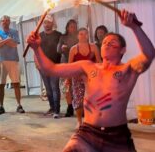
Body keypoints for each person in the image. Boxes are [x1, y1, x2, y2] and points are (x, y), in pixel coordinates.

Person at [27, 9, 155, 152]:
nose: (106, 44)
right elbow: (51, 69)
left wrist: (134, 27)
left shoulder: (127, 70)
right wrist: (36, 48)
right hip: (87, 133)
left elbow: (149, 54)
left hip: (117, 136)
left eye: (112, 42)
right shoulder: (87, 66)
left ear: (123, 50)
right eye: (105, 42)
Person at [0, 15, 25, 115]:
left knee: (16, 83)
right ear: (0, 22)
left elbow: (14, 45)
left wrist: (1, 41)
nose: (5, 22)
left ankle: (19, 105)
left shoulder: (14, 32)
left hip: (13, 60)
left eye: (7, 21)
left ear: (9, 22)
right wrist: (7, 40)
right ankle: (1, 106)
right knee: (1, 84)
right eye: (3, 21)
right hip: (1, 60)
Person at [68, 27, 101, 128]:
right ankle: (79, 121)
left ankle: (91, 120)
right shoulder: (73, 49)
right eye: (81, 34)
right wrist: (68, 80)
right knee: (78, 100)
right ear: (78, 36)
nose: (83, 36)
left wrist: (99, 76)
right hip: (77, 78)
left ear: (88, 35)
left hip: (91, 77)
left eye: (85, 33)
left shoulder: (94, 47)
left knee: (92, 100)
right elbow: (69, 66)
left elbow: (99, 62)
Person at [35, 15, 62, 118]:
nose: (46, 24)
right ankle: (52, 107)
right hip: (43, 67)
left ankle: (56, 110)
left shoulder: (59, 35)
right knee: (48, 89)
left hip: (55, 66)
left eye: (48, 22)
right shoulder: (39, 36)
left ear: (52, 23)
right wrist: (37, 63)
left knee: (55, 88)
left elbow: (62, 49)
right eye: (45, 22)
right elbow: (36, 50)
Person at [57, 19, 78, 117]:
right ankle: (69, 107)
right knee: (67, 86)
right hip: (65, 64)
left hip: (76, 64)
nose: (73, 28)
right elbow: (58, 50)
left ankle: (79, 106)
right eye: (71, 26)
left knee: (77, 86)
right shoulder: (63, 37)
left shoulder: (79, 37)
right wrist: (62, 48)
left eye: (74, 26)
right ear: (67, 28)